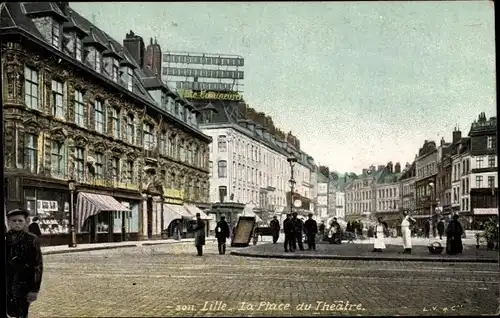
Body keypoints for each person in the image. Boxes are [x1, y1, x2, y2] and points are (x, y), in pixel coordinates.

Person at [6, 208, 43, 318]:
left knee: (21, 313)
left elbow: (37, 265)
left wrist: (34, 289)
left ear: (26, 221)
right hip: (7, 285)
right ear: (9, 222)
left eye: (20, 221)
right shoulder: (5, 238)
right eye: (14, 221)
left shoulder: (32, 239)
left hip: (23, 286)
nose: (17, 223)